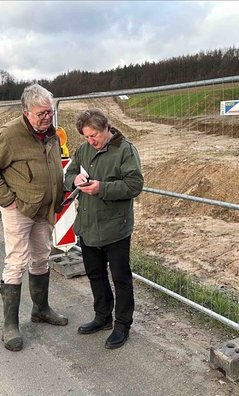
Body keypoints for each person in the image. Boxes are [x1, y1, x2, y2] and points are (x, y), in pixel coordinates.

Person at [0, 84, 68, 352]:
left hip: (44, 209)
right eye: (41, 113)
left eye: (49, 112)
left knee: (41, 257)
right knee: (16, 262)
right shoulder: (9, 135)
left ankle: (41, 309)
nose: (47, 117)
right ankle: (10, 326)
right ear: (26, 112)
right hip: (19, 210)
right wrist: (7, 200)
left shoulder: (51, 134)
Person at [64, 108, 144, 349]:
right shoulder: (84, 149)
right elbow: (69, 173)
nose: (91, 141)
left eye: (95, 135)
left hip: (115, 228)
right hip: (88, 226)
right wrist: (75, 180)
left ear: (107, 128)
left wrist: (102, 188)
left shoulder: (125, 150)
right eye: (87, 136)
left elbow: (134, 184)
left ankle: (122, 325)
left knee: (121, 278)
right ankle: (102, 317)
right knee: (95, 275)